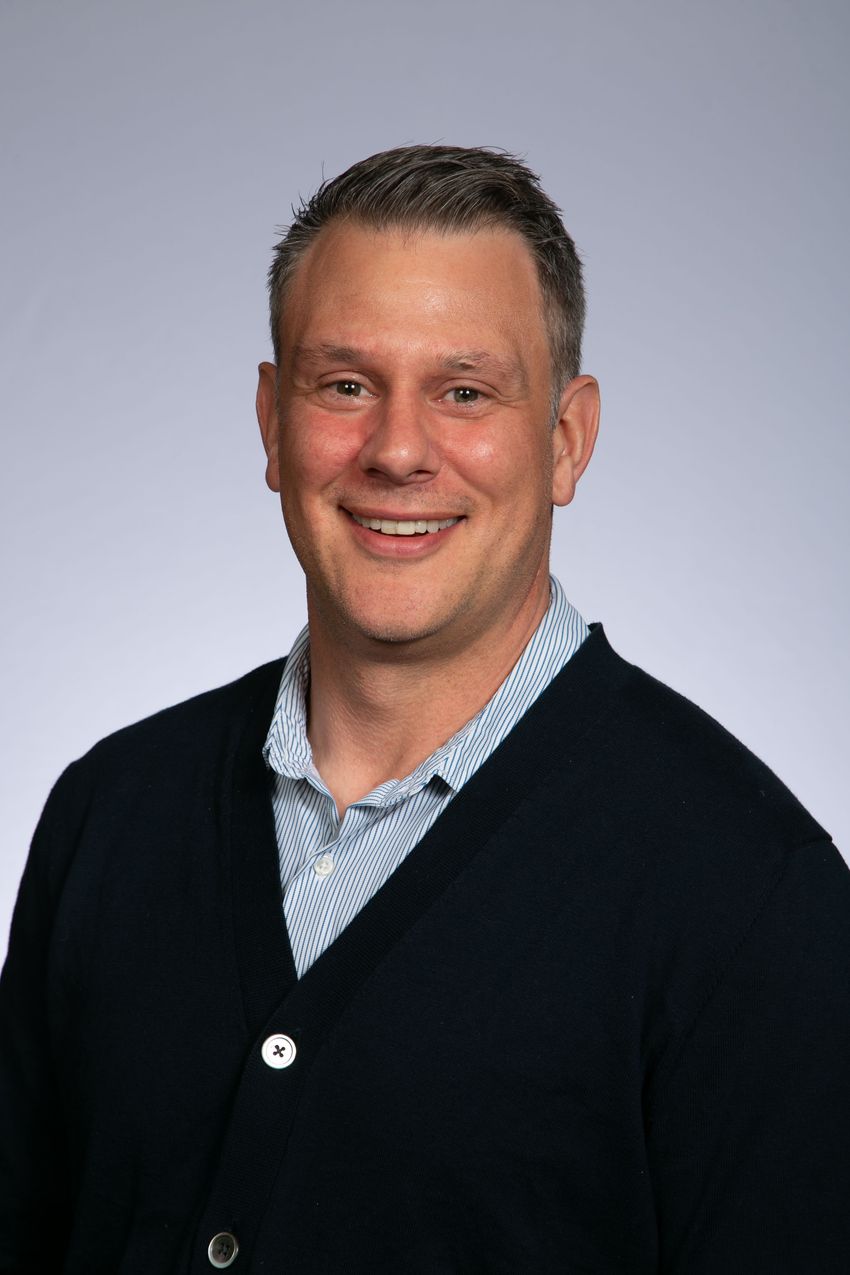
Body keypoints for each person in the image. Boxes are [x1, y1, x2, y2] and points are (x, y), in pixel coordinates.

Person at [1, 145, 848, 1275]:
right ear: (270, 422)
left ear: (565, 438)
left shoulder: (749, 897)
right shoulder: (109, 813)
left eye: (464, 392)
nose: (397, 450)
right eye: (344, 385)